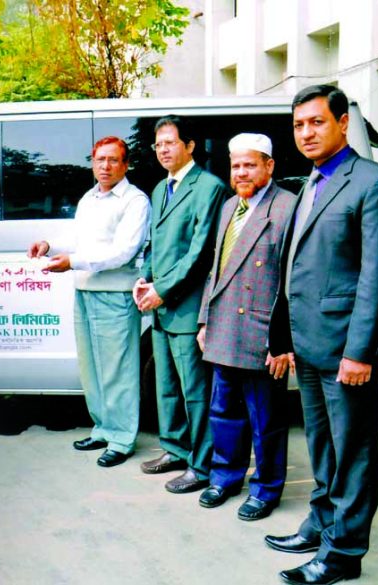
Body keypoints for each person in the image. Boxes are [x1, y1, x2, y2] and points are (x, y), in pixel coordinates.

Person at [265, 85, 378, 585]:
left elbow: (376, 276)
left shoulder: (374, 182)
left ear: (344, 123)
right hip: (309, 344)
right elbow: (296, 268)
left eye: (317, 122)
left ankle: (344, 552)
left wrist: (361, 351)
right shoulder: (311, 183)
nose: (306, 132)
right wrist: (283, 337)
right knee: (323, 446)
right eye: (299, 124)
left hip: (347, 349)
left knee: (353, 450)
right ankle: (321, 522)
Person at [28, 136, 150, 468]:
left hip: (114, 295)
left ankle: (122, 438)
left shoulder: (135, 200)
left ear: (125, 165)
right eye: (99, 160)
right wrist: (50, 246)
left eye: (113, 160)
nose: (105, 166)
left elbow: (124, 251)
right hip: (83, 291)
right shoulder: (90, 197)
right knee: (92, 368)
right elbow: (78, 241)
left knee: (118, 371)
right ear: (93, 163)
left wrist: (74, 261)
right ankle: (103, 428)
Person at [195, 133, 296, 520]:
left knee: (265, 420)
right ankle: (225, 477)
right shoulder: (228, 209)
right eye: (236, 165)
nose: (241, 172)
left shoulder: (287, 208)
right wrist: (205, 319)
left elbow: (291, 281)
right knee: (223, 411)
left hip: (261, 332)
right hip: (223, 327)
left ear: (269, 166)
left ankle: (267, 489)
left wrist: (282, 339)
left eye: (250, 164)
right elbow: (215, 271)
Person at [133, 115, 228, 493]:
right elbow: (157, 244)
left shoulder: (209, 187)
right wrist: (144, 279)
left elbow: (200, 252)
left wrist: (162, 289)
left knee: (196, 391)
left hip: (187, 306)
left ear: (189, 145)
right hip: (160, 305)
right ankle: (175, 449)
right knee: (166, 386)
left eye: (170, 143)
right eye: (158, 145)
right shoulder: (160, 189)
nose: (163, 150)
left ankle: (202, 466)